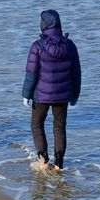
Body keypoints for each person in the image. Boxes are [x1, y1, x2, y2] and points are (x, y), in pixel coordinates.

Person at [22, 10, 81, 171]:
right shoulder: (70, 45)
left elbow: (31, 73)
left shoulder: (37, 46)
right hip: (63, 95)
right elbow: (76, 73)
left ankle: (45, 161)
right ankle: (59, 165)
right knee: (60, 127)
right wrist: (75, 95)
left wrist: (26, 94)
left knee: (36, 124)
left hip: (41, 95)